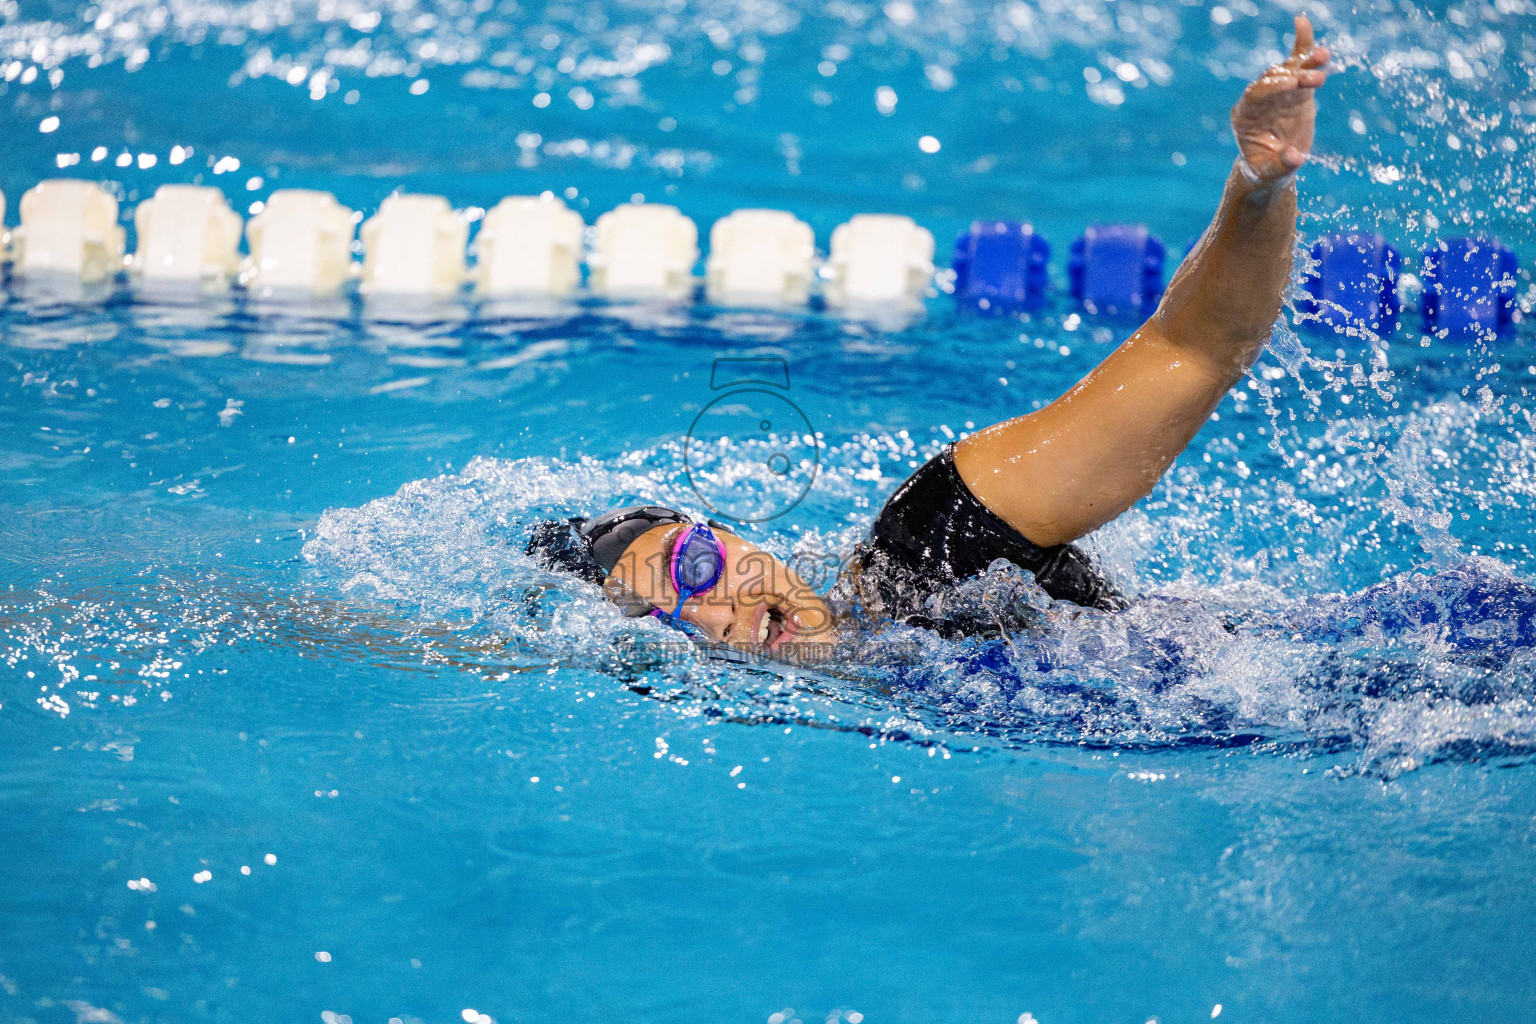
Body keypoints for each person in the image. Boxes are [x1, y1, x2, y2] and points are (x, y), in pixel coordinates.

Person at [527, 16, 1332, 660]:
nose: (710, 607)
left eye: (695, 565)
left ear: (741, 542)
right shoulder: (874, 696)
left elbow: (1193, 351)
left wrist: (1258, 186)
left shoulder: (935, 543)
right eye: (663, 618)